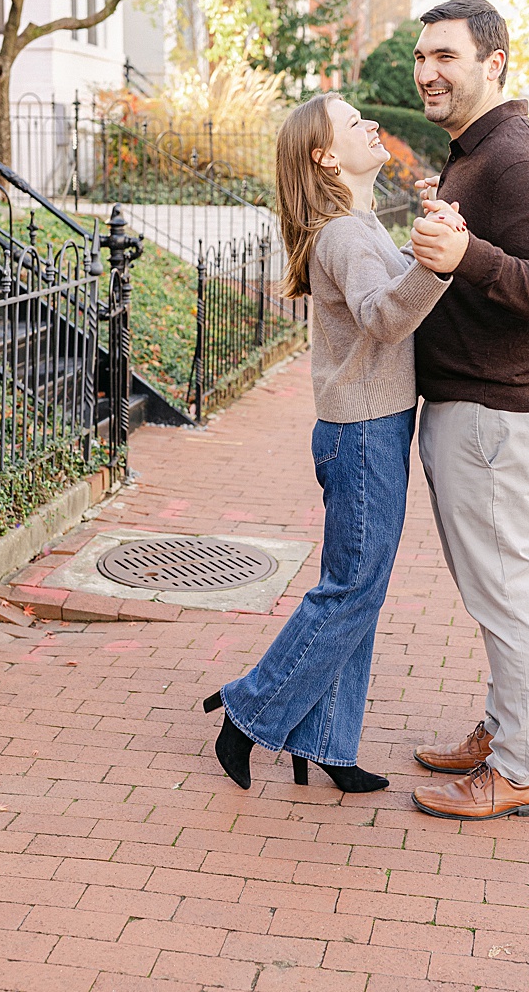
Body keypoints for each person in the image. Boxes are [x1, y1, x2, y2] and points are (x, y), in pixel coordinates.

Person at [204, 95, 469, 793]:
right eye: (355, 124)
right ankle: (249, 711)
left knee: (361, 588)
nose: (371, 127)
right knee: (352, 587)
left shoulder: (356, 223)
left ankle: (327, 742)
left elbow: (382, 294)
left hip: (370, 424)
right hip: (362, 431)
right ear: (324, 157)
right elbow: (385, 316)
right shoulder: (344, 235)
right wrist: (436, 266)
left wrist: (429, 231)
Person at [403, 0, 529, 822]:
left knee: (507, 594)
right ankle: (505, 731)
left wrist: (469, 254)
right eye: (421, 57)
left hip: (496, 418)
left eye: (445, 55)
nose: (426, 72)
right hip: (477, 412)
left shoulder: (515, 157)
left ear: (494, 61)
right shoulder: (474, 153)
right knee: (495, 593)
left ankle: (519, 770)